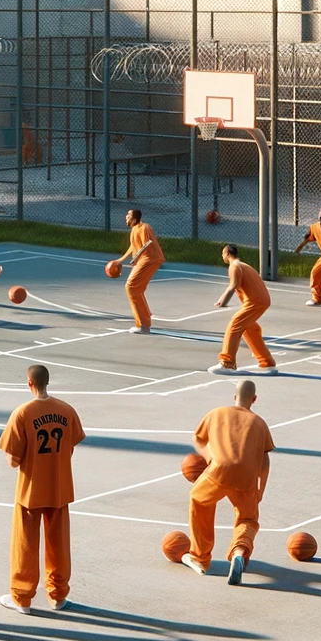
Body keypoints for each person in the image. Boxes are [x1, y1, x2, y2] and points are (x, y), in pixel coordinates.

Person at [0, 365, 84, 614]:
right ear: (48, 382)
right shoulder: (67, 411)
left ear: (29, 383)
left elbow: (14, 460)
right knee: (58, 545)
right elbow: (69, 448)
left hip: (30, 490)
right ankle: (57, 596)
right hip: (58, 487)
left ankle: (22, 598)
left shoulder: (23, 413)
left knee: (25, 544)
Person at [181, 379, 274, 585]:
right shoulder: (259, 423)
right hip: (247, 476)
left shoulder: (216, 413)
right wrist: (260, 490)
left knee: (199, 500)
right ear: (254, 399)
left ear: (234, 397)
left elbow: (198, 439)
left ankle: (200, 558)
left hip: (220, 470)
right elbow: (265, 461)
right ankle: (239, 551)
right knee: (247, 519)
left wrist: (208, 457)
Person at [209, 245, 277, 377]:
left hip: (255, 301)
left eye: (223, 254)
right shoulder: (243, 265)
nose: (222, 256)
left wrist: (222, 302)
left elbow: (233, 285)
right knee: (249, 328)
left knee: (235, 325)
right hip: (260, 300)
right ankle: (267, 361)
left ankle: (227, 363)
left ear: (227, 253)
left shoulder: (234, 266)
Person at [110, 207, 165, 334]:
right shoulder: (134, 229)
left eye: (128, 215)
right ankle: (145, 317)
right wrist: (120, 260)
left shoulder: (144, 227)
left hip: (150, 259)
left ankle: (143, 325)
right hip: (144, 260)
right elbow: (133, 246)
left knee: (131, 287)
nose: (126, 217)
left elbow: (148, 243)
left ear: (134, 219)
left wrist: (136, 257)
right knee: (136, 289)